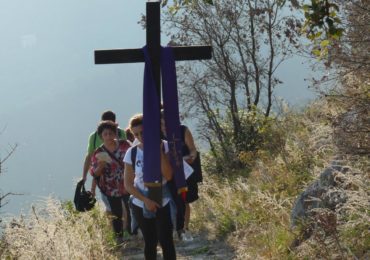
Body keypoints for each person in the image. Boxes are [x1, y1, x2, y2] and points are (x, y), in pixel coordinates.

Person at [124, 114, 178, 260]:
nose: (140, 136)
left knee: (166, 241)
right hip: (140, 203)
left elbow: (168, 176)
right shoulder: (132, 152)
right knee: (150, 242)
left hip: (163, 200)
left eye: (143, 132)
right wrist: (145, 200)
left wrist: (158, 151)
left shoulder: (165, 145)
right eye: (136, 134)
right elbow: (128, 184)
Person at [90, 120, 132, 243]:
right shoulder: (98, 153)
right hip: (110, 186)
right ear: (101, 136)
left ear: (115, 134)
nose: (108, 136)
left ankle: (131, 232)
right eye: (105, 134)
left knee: (131, 208)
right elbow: (94, 173)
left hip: (127, 182)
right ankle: (119, 237)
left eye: (110, 133)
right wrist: (101, 165)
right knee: (116, 212)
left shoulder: (125, 145)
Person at [161, 112, 199, 241]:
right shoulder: (158, 136)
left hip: (185, 172)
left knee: (185, 200)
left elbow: (192, 149)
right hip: (168, 174)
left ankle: (185, 228)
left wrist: (191, 158)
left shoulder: (183, 130)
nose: (164, 126)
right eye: (161, 124)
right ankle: (173, 229)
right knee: (171, 200)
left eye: (166, 123)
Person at [82, 110, 126, 211]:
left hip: (120, 176)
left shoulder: (120, 133)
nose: (108, 136)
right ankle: (114, 224)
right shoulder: (93, 137)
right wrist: (84, 176)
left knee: (122, 207)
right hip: (103, 175)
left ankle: (121, 225)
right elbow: (90, 158)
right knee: (111, 207)